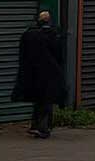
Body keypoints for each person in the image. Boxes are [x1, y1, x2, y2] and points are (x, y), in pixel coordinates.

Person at [12, 10, 67, 139]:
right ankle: (43, 128)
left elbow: (23, 54)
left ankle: (35, 126)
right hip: (50, 72)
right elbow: (59, 55)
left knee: (38, 100)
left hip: (34, 72)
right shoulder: (54, 35)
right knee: (47, 101)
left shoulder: (29, 35)